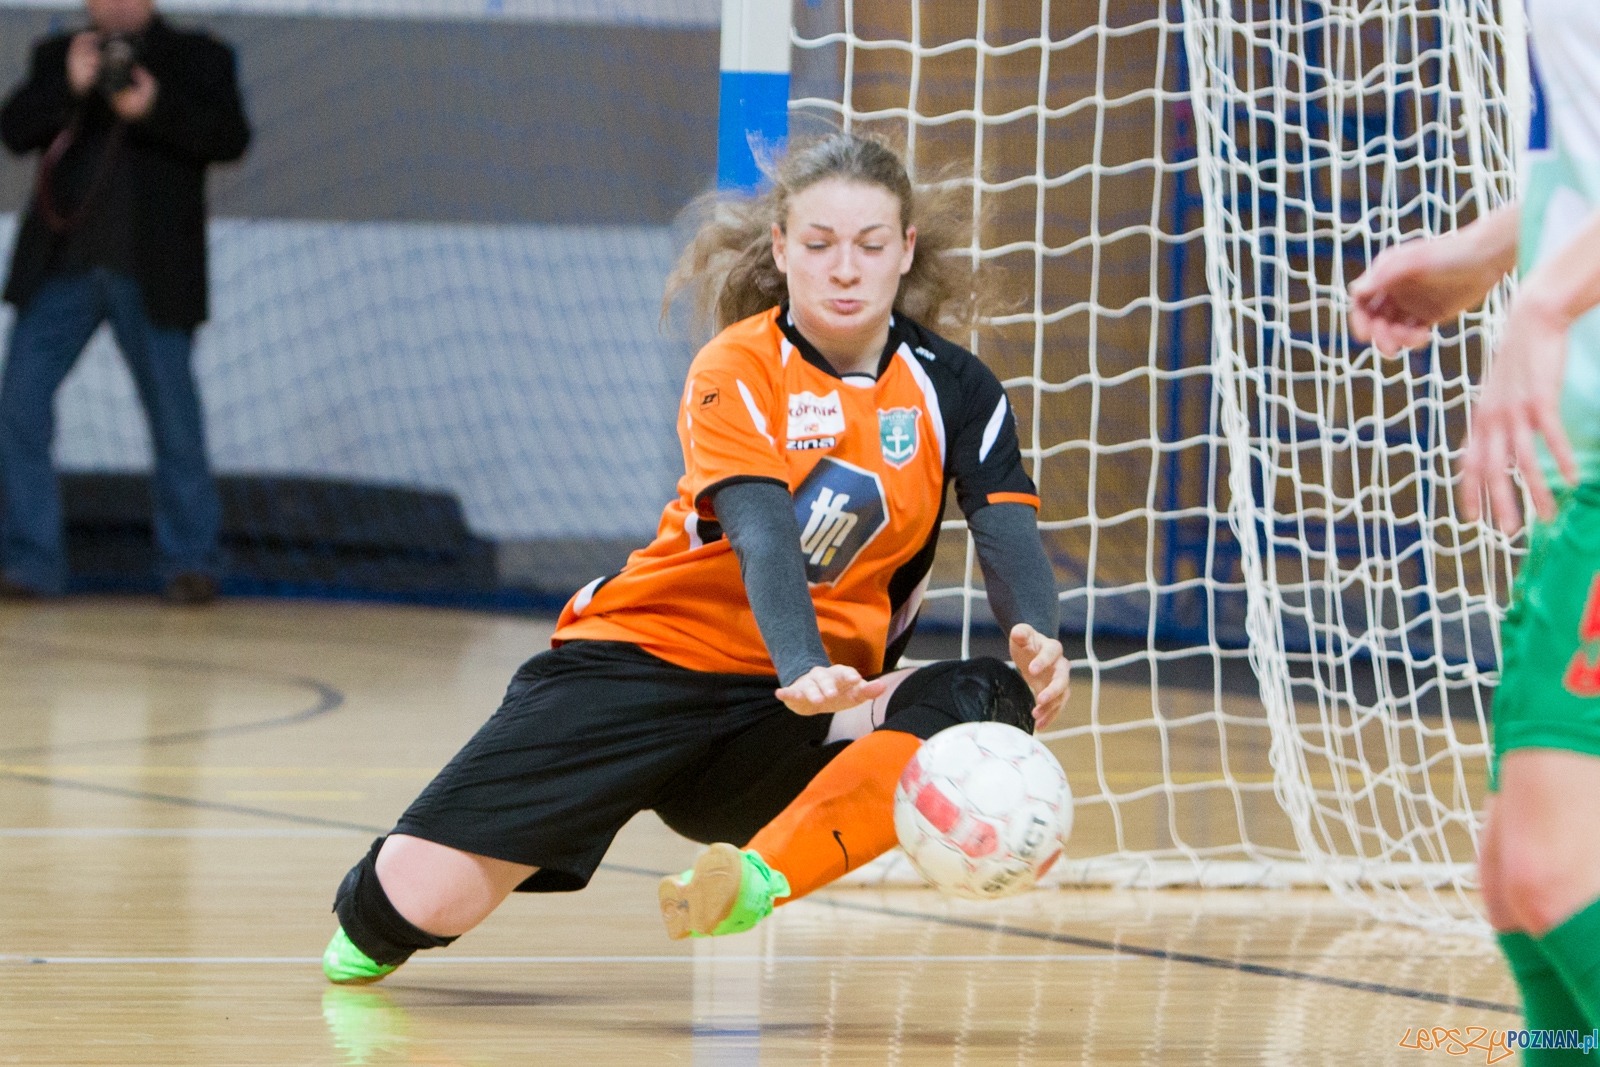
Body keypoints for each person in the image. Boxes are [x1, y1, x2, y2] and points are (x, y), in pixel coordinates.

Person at [320, 131, 1070, 984]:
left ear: (905, 250)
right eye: (819, 245)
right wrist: (802, 660)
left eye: (869, 245)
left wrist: (1036, 633)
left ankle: (753, 879)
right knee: (414, 904)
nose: (845, 268)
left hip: (793, 720)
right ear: (781, 248)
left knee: (986, 698)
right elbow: (761, 527)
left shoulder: (954, 387)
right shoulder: (740, 365)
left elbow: (1004, 521)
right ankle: (376, 911)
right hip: (647, 662)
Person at [1349, 1, 1600, 1058]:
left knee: (1552, 864)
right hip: (1579, 462)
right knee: (1514, 879)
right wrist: (1490, 253)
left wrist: (1541, 305)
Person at [0, 0, 249, 604]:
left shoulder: (197, 56)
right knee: (19, 410)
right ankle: (30, 564)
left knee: (174, 420)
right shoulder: (59, 55)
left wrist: (152, 107)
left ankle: (189, 562)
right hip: (63, 268)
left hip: (153, 273)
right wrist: (70, 85)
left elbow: (228, 137)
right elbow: (14, 130)